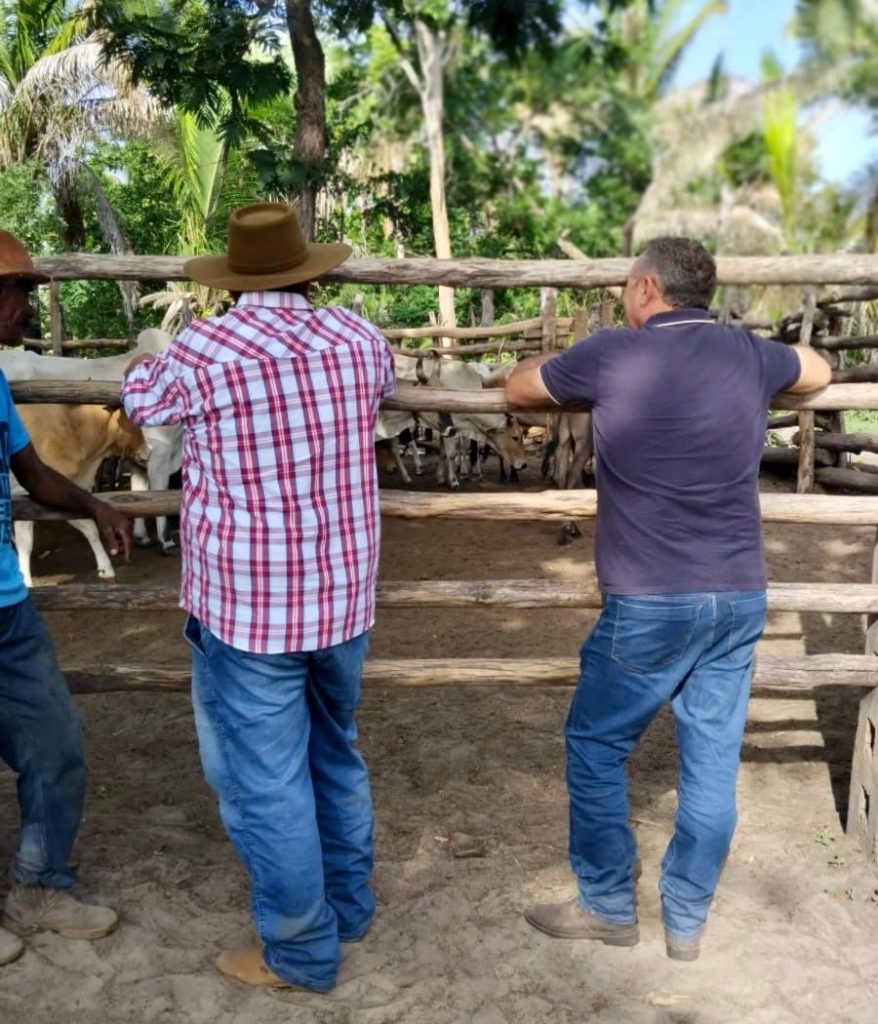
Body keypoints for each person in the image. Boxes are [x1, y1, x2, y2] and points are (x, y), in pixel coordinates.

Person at [505, 237, 831, 961]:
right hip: (738, 594)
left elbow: (520, 388)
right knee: (711, 761)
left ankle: (606, 904)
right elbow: (819, 368)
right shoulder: (748, 354)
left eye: (627, 285)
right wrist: (779, 367)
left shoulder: (612, 354)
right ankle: (685, 920)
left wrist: (540, 363)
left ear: (648, 288)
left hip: (651, 597)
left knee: (595, 745)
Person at [121, 203, 395, 992]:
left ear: (233, 279)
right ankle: (349, 907)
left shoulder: (201, 350)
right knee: (334, 752)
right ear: (307, 271)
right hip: (341, 599)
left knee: (265, 782)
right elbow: (387, 382)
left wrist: (143, 358)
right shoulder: (357, 339)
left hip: (248, 607)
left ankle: (302, 951)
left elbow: (143, 403)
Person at [0, 230, 132, 966]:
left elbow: (31, 472)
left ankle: (40, 885)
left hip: (7, 608)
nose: (26, 306)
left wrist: (95, 505)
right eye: (18, 290)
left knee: (55, 744)